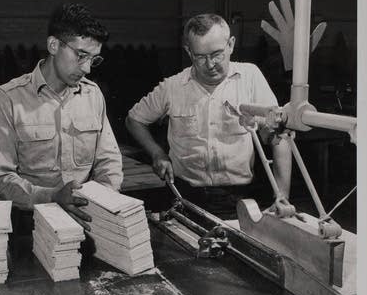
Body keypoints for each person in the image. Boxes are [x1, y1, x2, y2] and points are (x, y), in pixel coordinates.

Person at [125, 13, 293, 220]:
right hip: (184, 195)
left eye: (217, 54)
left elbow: (278, 136)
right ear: (189, 51)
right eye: (200, 57)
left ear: (230, 44)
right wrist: (157, 154)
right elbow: (134, 119)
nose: (210, 64)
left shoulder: (250, 77)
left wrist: (281, 195)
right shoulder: (173, 87)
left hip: (238, 198)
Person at [0, 3, 123, 233]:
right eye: (81, 55)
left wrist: (101, 203)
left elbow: (108, 161)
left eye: (94, 59)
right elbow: (0, 179)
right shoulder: (8, 98)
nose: (88, 68)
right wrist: (51, 196)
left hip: (86, 219)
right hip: (30, 225)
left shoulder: (93, 95)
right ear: (53, 45)